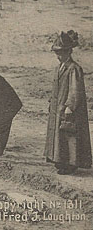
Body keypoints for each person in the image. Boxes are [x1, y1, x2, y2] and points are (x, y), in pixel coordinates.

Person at [44, 31, 92, 175]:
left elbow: (75, 90)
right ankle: (60, 161)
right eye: (56, 53)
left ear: (68, 52)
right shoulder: (58, 68)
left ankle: (71, 164)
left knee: (69, 135)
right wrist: (52, 102)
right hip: (57, 107)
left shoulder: (74, 69)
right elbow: (56, 88)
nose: (58, 56)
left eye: (60, 53)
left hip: (68, 109)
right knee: (59, 136)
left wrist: (70, 106)